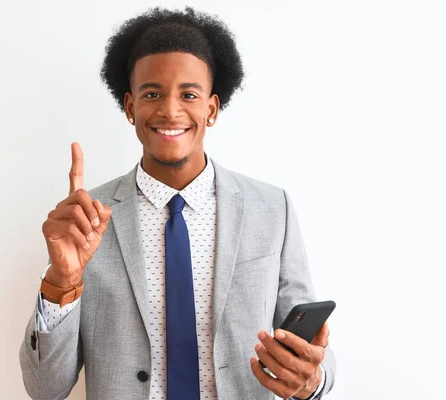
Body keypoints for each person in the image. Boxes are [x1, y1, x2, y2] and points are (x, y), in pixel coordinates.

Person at [19, 7, 336, 400]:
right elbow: (44, 389)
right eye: (152, 94)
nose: (170, 110)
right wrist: (60, 282)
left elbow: (314, 350)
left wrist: (312, 380)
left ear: (212, 108)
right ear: (130, 107)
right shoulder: (85, 220)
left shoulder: (273, 209)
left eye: (189, 94)